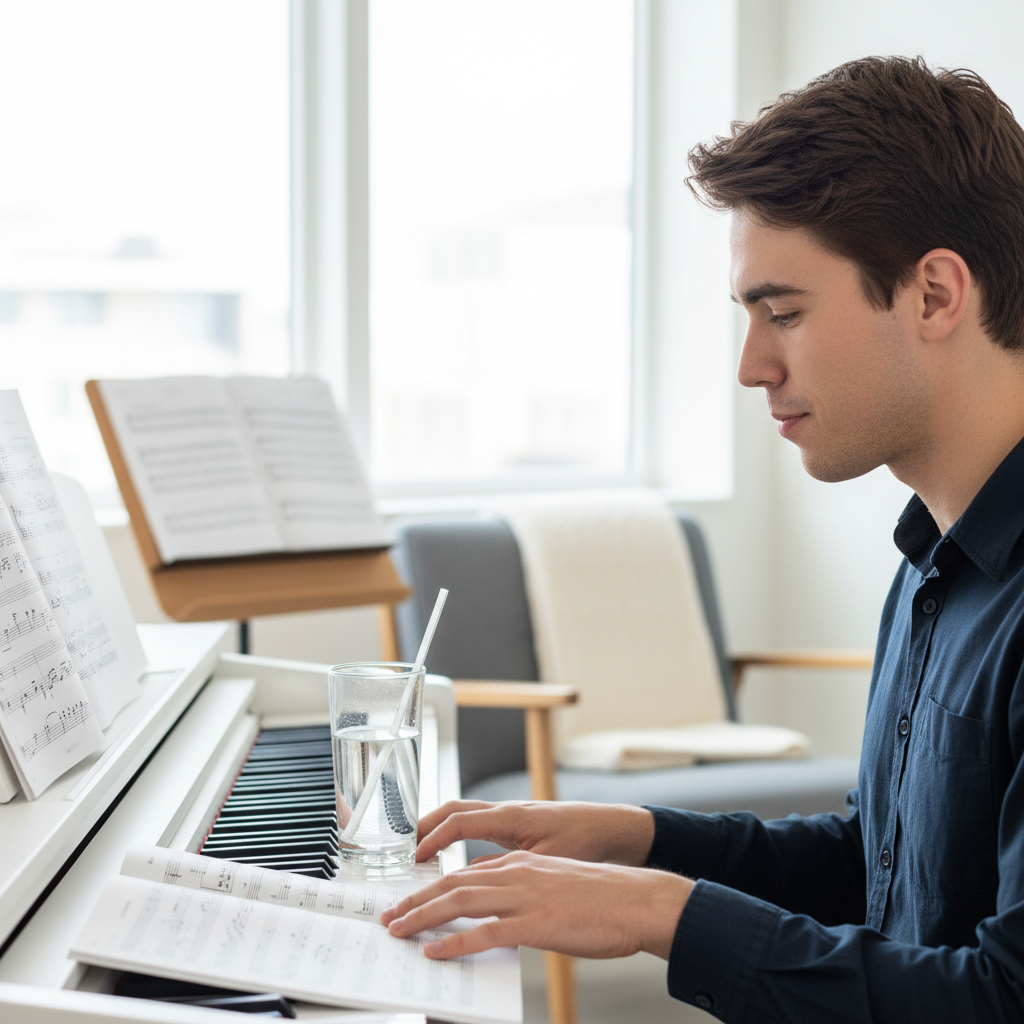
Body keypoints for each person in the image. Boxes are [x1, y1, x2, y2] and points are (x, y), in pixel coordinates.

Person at [379, 56, 1024, 1021]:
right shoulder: (937, 560)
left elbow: (1003, 999)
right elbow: (878, 869)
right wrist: (638, 839)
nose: (751, 366)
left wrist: (662, 915)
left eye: (785, 313)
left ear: (934, 295)